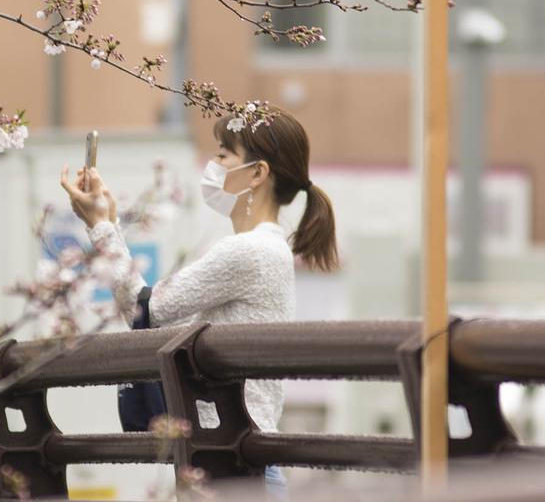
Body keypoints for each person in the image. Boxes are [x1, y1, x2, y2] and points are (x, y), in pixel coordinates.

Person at [60, 106, 339, 499]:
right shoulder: (266, 248)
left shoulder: (248, 250)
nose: (213, 163)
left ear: (257, 173)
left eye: (224, 154)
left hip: (233, 466)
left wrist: (102, 227)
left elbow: (148, 310)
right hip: (239, 461)